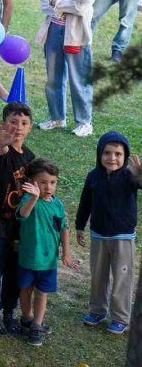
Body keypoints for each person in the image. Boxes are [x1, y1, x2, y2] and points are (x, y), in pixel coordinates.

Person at [75, 131, 141, 335]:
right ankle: (97, 310)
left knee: (122, 278)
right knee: (98, 275)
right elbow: (85, 203)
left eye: (118, 154)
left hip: (122, 236)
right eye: (107, 153)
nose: (112, 158)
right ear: (99, 154)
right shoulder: (93, 176)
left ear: (125, 155)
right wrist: (80, 226)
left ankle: (121, 317)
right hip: (98, 234)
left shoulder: (130, 176)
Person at [14, 158, 78, 346]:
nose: (48, 187)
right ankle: (26, 318)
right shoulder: (28, 199)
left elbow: (64, 228)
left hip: (48, 259)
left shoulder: (57, 205)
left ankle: (37, 325)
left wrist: (66, 252)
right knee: (25, 289)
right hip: (28, 257)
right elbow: (23, 215)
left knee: (42, 293)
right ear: (32, 182)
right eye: (43, 183)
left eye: (53, 182)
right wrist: (34, 197)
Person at [0, 101, 36, 333]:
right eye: (13, 122)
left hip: (19, 228)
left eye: (24, 123)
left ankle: (9, 312)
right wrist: (0, 147)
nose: (18, 127)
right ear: (3, 125)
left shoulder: (30, 158)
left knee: (13, 273)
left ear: (30, 128)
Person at [36, 0, 98, 136]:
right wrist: (63, 7)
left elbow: (80, 6)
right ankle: (57, 118)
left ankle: (84, 122)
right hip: (54, 30)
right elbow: (43, 1)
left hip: (76, 34)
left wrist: (56, 3)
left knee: (79, 79)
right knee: (53, 78)